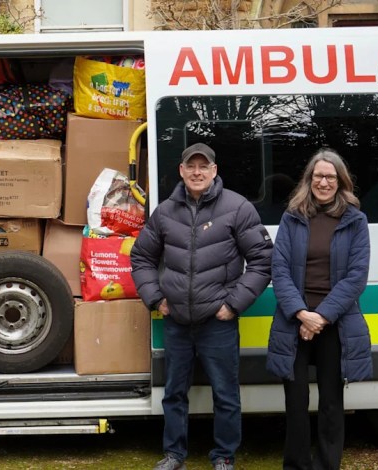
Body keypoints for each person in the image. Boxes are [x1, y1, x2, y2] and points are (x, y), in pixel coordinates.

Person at [131, 143, 273, 470]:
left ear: (214, 171)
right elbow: (141, 258)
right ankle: (174, 455)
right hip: (177, 321)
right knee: (174, 394)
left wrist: (234, 305)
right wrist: (156, 298)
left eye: (203, 166)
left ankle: (224, 456)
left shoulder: (237, 208)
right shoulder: (165, 212)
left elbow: (263, 261)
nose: (197, 172)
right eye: (190, 166)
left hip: (218, 322)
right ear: (181, 171)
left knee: (225, 395)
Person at [266, 148, 372, 470]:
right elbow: (279, 270)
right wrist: (302, 314)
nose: (323, 182)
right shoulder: (292, 216)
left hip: (334, 324)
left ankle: (327, 465)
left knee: (331, 402)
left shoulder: (355, 220)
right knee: (295, 403)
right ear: (309, 180)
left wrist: (321, 317)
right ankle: (296, 465)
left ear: (340, 182)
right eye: (318, 176)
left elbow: (357, 276)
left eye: (330, 176)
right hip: (293, 321)